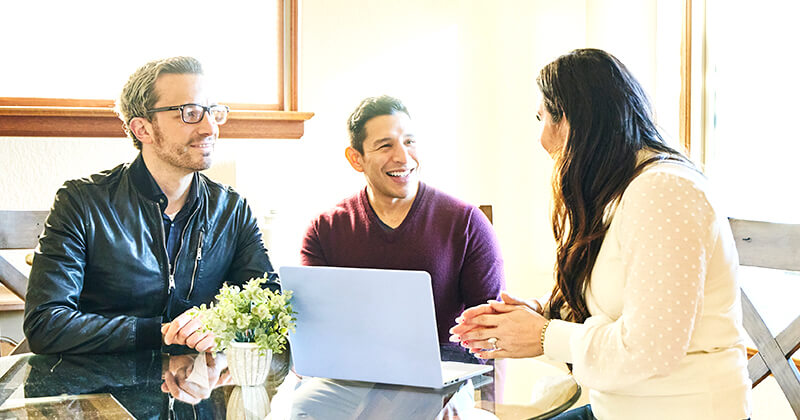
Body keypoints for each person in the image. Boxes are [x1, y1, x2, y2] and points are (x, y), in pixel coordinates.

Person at [449, 49, 751, 419]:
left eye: (544, 118)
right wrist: (541, 311)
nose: (542, 139)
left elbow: (651, 349)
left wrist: (544, 335)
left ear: (579, 121)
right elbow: (622, 294)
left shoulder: (664, 192)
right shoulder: (622, 191)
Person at [24, 56, 279, 354]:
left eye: (212, 111)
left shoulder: (232, 209)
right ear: (142, 129)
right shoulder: (82, 203)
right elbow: (46, 323)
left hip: (200, 390)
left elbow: (270, 303)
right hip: (102, 392)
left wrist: (218, 325)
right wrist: (160, 333)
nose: (210, 128)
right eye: (190, 113)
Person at [300, 95, 505, 361]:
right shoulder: (324, 231)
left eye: (409, 142)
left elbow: (490, 333)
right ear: (356, 158)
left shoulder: (467, 222)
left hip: (446, 379)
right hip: (353, 379)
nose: (402, 156)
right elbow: (314, 328)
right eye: (385, 146)